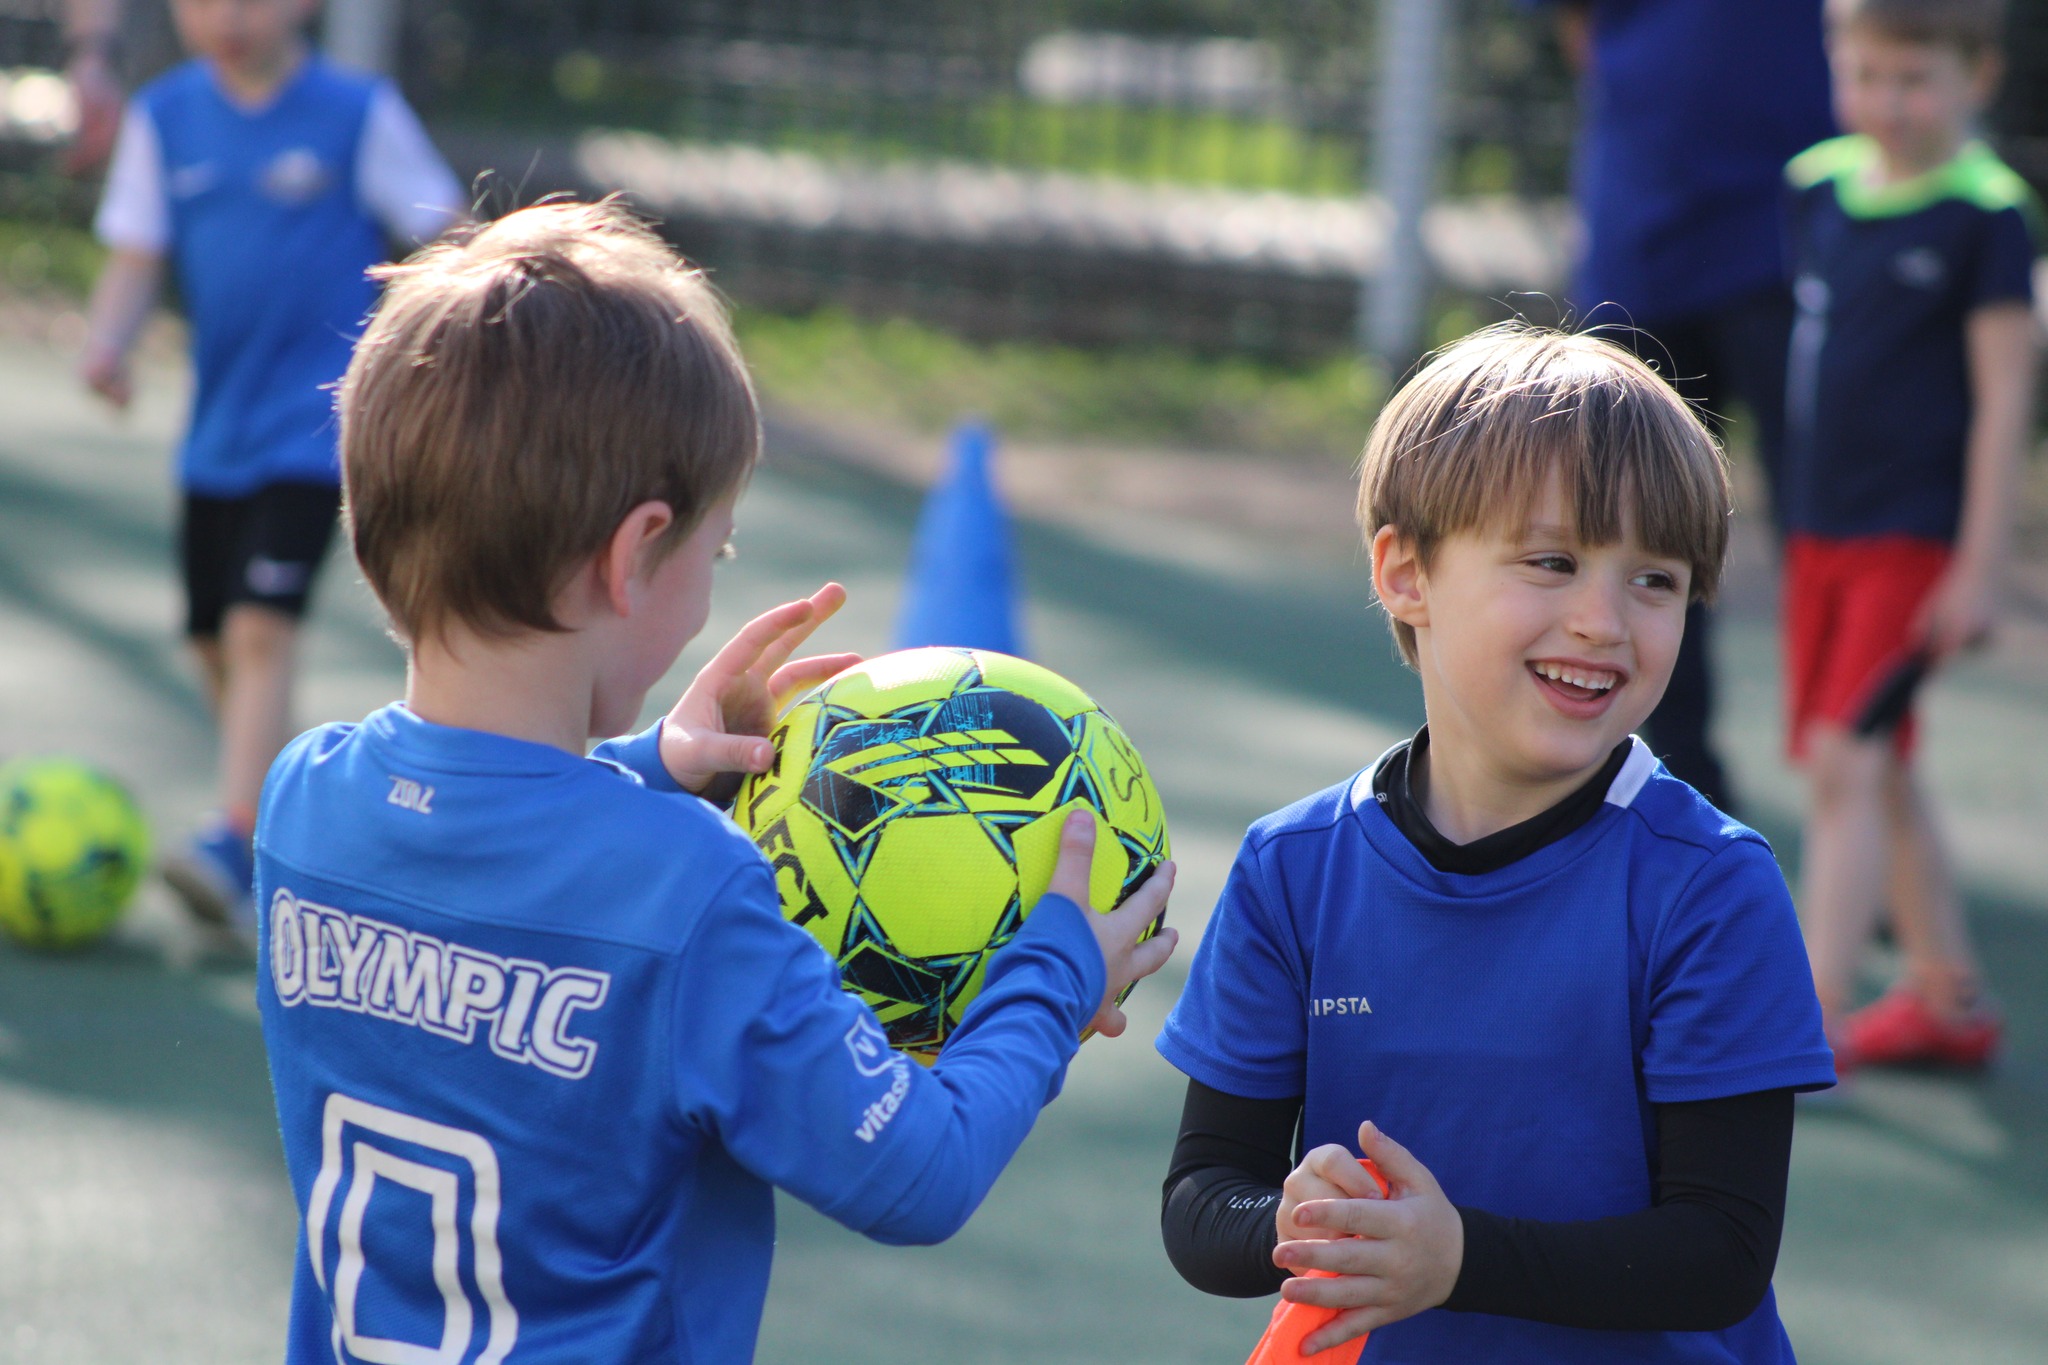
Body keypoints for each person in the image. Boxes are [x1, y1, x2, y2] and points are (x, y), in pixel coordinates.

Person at [252, 199, 1178, 1362]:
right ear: (634, 553)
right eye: (714, 551)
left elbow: (495, 857)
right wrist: (1053, 973)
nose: (710, 583)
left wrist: (651, 767)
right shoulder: (689, 893)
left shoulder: (303, 803)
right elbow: (920, 1171)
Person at [1156, 327, 1835, 1361]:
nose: (1603, 620)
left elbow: (1720, 1250)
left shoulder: (1708, 884)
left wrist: (1458, 1259)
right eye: (1553, 562)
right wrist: (1294, 1223)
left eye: (1654, 579)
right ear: (1405, 573)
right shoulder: (1292, 868)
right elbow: (1203, 1199)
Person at [77, 0, 463, 934]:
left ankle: (237, 838)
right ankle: (301, 829)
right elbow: (136, 255)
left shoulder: (357, 112)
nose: (230, 14)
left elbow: (450, 237)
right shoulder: (165, 117)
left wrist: (441, 348)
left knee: (258, 630)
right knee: (213, 642)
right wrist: (108, 342)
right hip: (217, 438)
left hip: (319, 430)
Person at [1783, 0, 2038, 1072]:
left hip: (1911, 544)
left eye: (1914, 78)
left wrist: (1977, 566)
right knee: (1875, 765)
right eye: (1866, 73)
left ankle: (1805, 1023)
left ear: (1975, 76)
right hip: (1819, 532)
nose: (1888, 102)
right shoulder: (1816, 187)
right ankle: (1946, 996)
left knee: (1844, 761)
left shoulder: (1987, 216)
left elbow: (2003, 399)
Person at [1546, 0, 1838, 812]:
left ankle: (1854, 781)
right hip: (1644, 230)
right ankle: (1669, 779)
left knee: (1830, 523)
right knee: (1633, 518)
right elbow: (1577, 27)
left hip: (1801, 232)